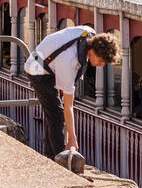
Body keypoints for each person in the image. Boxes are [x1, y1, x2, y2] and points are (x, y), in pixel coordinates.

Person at [24, 25, 119, 160]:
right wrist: (72, 139)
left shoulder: (89, 33)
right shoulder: (70, 61)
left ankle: (50, 155)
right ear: (92, 52)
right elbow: (68, 106)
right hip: (36, 68)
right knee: (57, 116)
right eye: (101, 60)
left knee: (54, 113)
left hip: (48, 59)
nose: (102, 65)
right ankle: (58, 159)